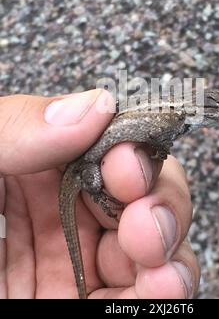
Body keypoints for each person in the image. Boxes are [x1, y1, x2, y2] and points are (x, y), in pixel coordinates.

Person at [0, 89, 200, 299]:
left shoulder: (178, 115)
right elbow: (157, 135)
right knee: (99, 180)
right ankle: (97, 196)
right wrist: (161, 149)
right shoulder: (177, 117)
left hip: (89, 160)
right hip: (82, 166)